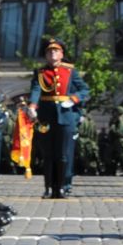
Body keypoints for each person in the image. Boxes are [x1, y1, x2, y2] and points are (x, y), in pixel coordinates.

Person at [27, 38, 85, 198]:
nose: (52, 53)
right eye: (49, 51)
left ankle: (61, 187)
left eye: (56, 51)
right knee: (47, 153)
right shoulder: (40, 72)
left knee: (63, 153)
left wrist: (72, 99)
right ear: (45, 55)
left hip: (66, 116)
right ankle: (48, 187)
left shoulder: (70, 71)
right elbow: (36, 90)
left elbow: (84, 90)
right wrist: (32, 106)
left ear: (61, 54)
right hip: (46, 116)